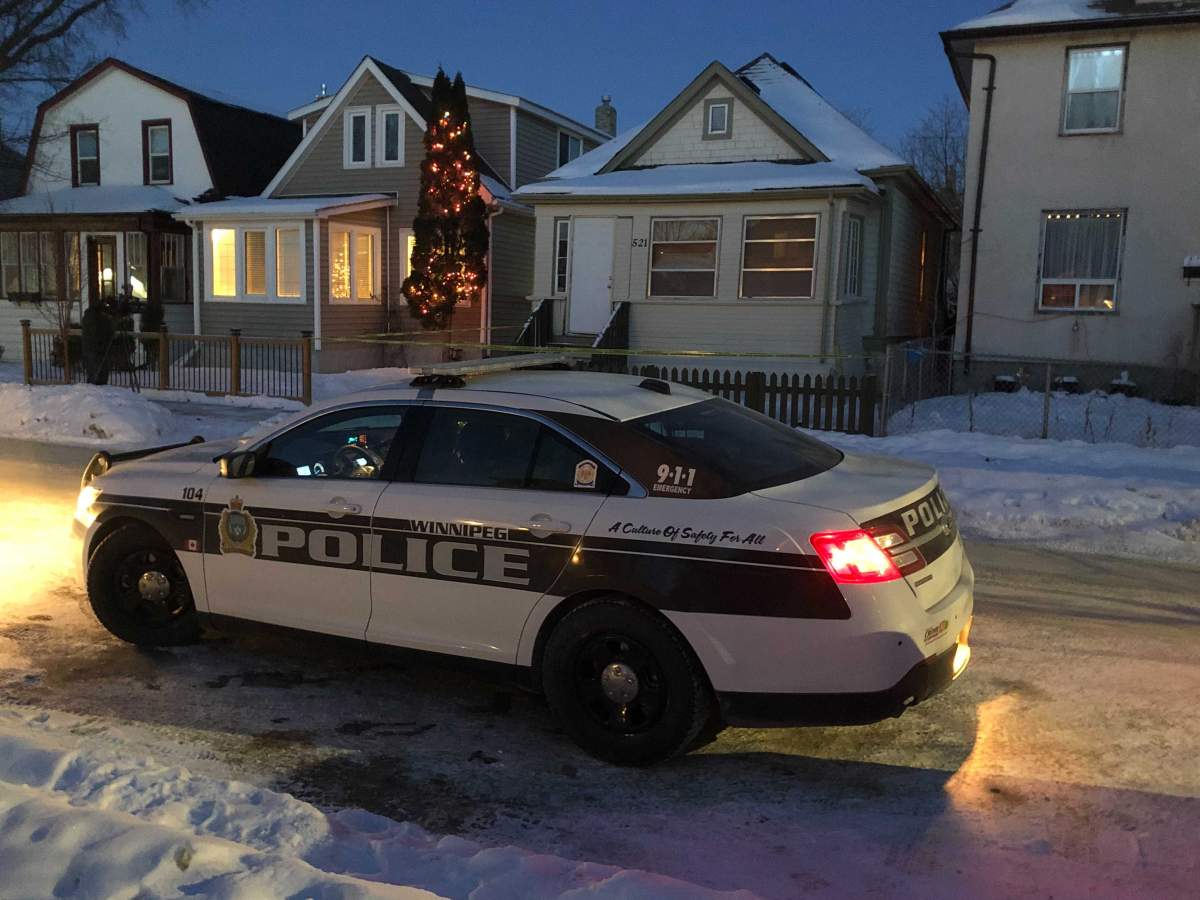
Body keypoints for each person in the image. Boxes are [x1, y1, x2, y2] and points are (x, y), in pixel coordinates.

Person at [81, 296, 114, 385]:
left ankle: (96, 387)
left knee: (96, 374)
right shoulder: (93, 318)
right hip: (95, 350)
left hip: (94, 350)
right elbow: (97, 333)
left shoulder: (89, 316)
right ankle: (96, 389)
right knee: (96, 376)